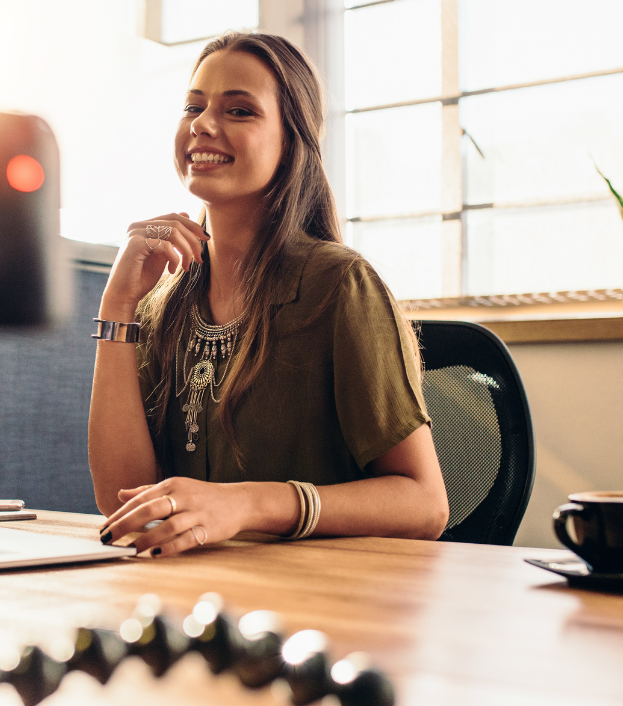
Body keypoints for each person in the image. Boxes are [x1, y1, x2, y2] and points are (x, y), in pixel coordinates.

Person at [88, 32, 448, 558]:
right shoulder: (163, 303)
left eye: (239, 110)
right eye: (193, 107)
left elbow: (425, 503)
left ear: (291, 142)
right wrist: (117, 308)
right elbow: (123, 500)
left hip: (323, 591)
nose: (202, 124)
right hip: (199, 591)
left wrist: (249, 504)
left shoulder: (339, 286)